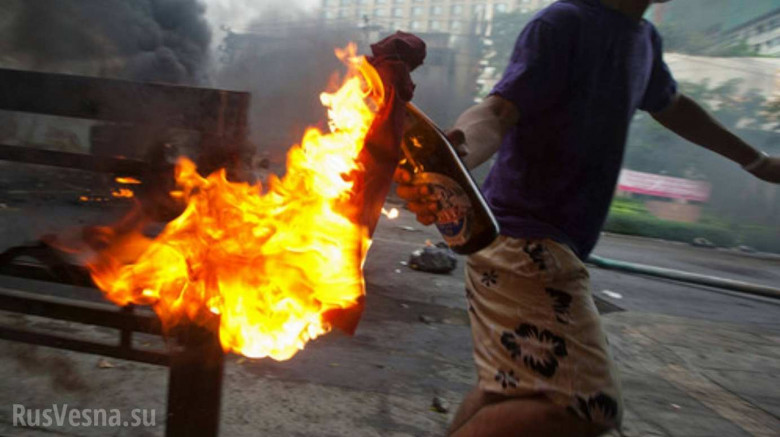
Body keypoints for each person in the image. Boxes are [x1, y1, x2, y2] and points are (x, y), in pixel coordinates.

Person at [394, 0, 780, 436]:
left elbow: (674, 107)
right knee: (581, 404)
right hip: (525, 243)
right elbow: (498, 111)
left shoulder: (643, 39)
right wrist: (457, 157)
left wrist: (755, 160)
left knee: (509, 388)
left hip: (543, 243)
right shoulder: (565, 22)